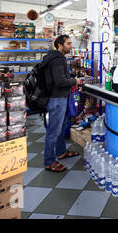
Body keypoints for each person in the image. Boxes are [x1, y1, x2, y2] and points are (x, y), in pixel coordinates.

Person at [43, 35, 83, 172]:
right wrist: (75, 81)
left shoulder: (54, 57)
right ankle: (49, 162)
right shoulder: (58, 60)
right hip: (57, 99)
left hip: (60, 97)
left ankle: (60, 152)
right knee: (53, 131)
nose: (71, 46)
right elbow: (60, 82)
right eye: (68, 43)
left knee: (61, 127)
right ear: (59, 45)